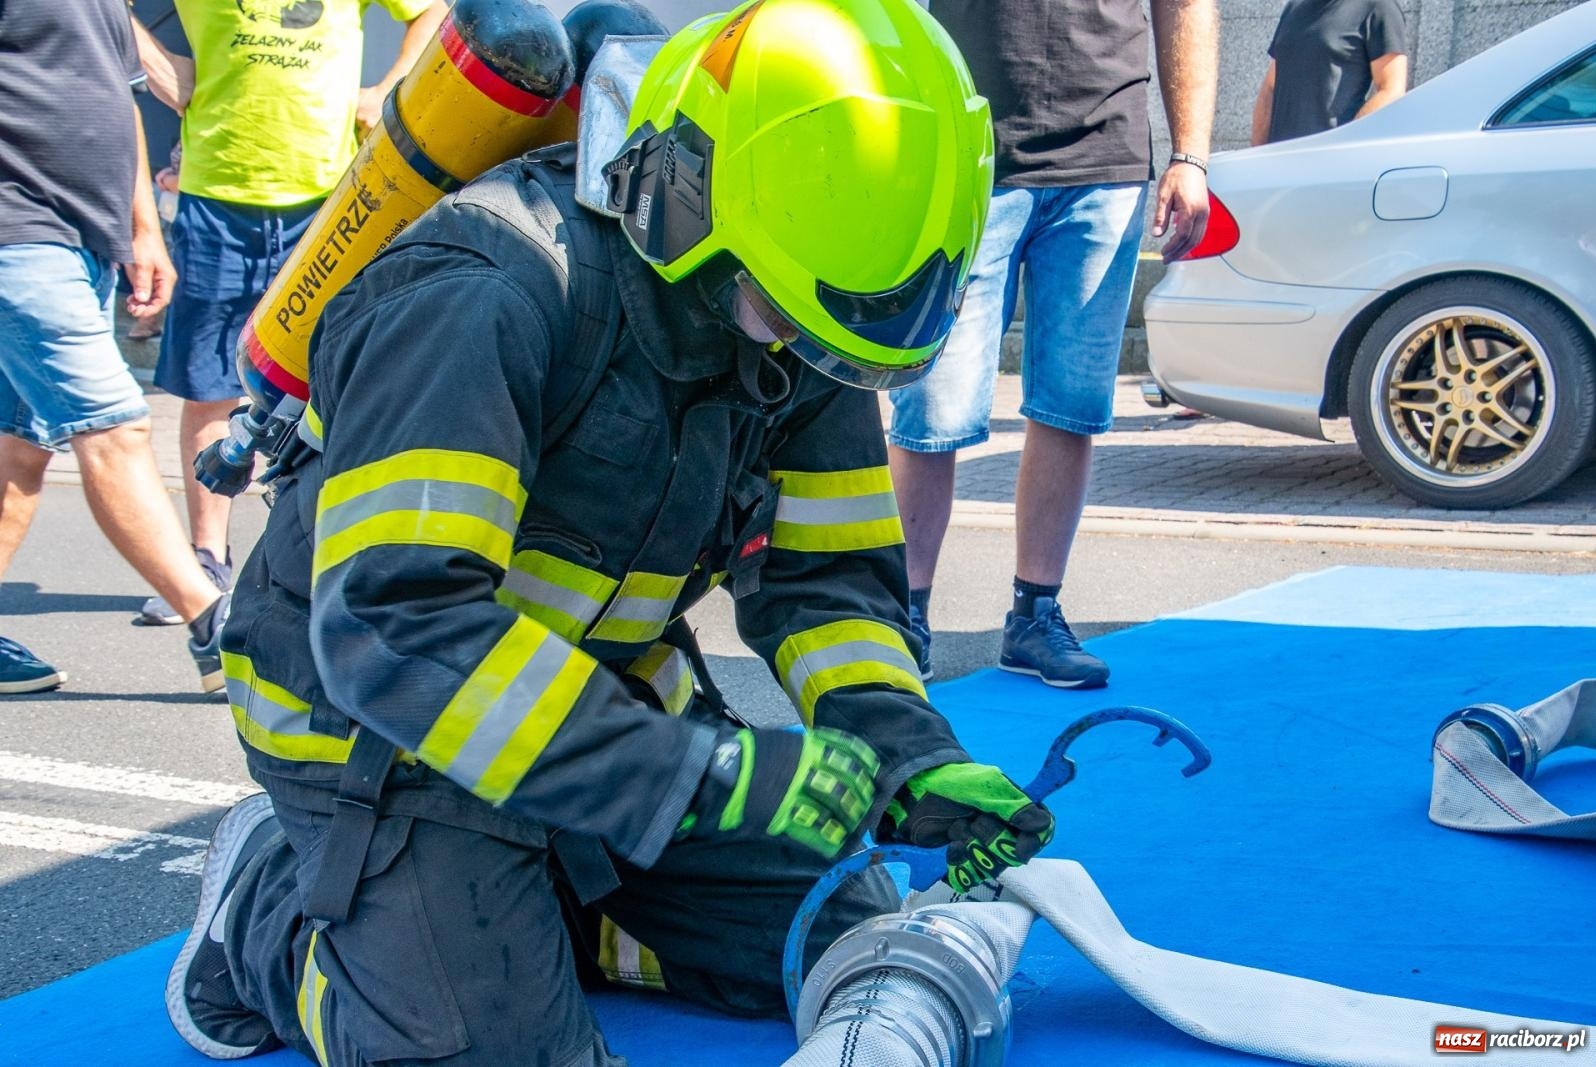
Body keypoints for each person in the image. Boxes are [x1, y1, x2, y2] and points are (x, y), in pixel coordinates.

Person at [164, 2, 1056, 1064]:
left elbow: (829, 588)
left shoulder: (811, 301)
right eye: (781, 314)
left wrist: (908, 752)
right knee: (475, 1047)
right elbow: (400, 630)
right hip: (383, 729)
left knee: (855, 934)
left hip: (598, 708)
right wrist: (693, 775)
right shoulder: (481, 292)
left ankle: (548, 902)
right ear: (686, 201)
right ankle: (264, 910)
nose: (814, 359)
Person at [886, 0, 1218, 688]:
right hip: (971, 148)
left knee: (1071, 404)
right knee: (934, 409)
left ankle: (1034, 615)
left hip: (1107, 160)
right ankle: (900, 616)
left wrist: (1191, 156)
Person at [129, 0, 448, 626]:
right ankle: (206, 559)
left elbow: (434, 9)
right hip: (218, 194)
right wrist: (156, 65)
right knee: (213, 386)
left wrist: (387, 88)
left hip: (329, 201)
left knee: (336, 381)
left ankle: (322, 554)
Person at [0, 0, 233, 695]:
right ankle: (215, 626)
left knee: (19, 451)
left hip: (80, 240)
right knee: (116, 424)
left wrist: (141, 230)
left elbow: (118, 92)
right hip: (19, 228)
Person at [1251, 0, 1408, 145]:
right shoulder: (1294, 7)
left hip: (1332, 164)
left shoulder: (1379, 7)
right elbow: (1270, 86)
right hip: (1278, 162)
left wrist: (1343, 145)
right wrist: (1257, 155)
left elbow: (1391, 90)